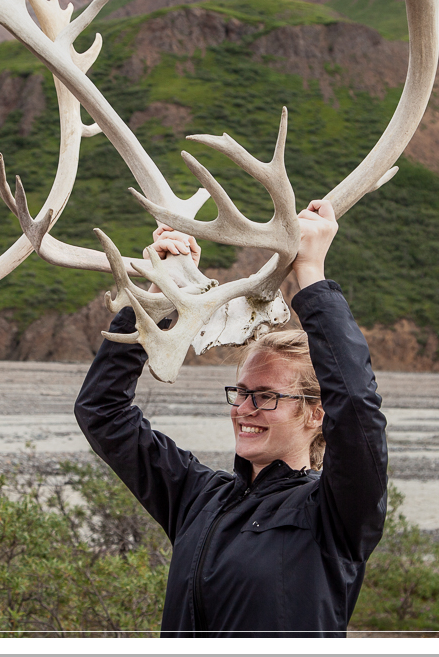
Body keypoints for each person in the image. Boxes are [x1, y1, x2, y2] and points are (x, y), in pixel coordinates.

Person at [74, 200, 388, 637]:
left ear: (316, 413)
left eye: (265, 396)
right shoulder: (198, 497)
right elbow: (102, 412)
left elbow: (356, 411)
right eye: (240, 393)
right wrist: (164, 295)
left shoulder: (335, 515)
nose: (243, 410)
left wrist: (311, 277)